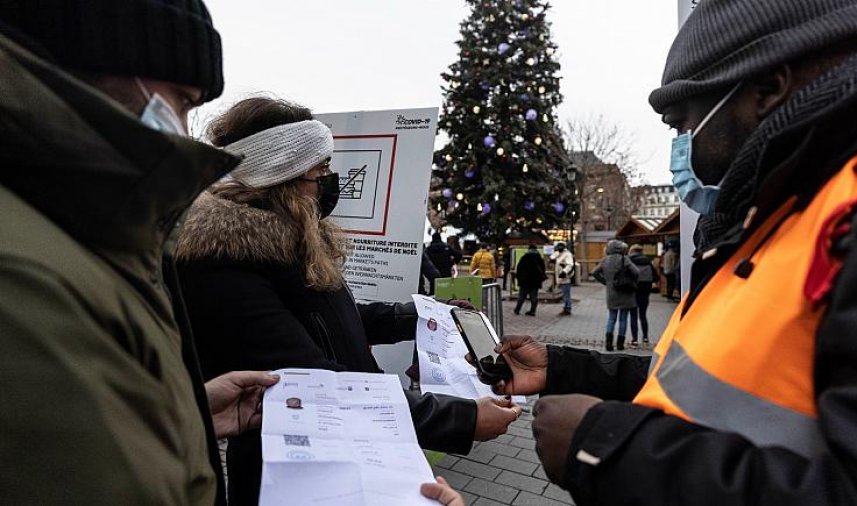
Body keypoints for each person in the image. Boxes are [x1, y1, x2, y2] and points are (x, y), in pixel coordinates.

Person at [446, 1, 857, 504]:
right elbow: (710, 376)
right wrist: (564, 369)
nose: (683, 149)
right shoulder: (782, 203)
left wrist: (605, 447)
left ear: (768, 90)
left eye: (683, 124)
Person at [175, 97, 521, 505]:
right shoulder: (222, 265)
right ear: (279, 177)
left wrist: (419, 317)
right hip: (294, 470)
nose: (330, 181)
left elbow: (331, 320)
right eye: (319, 170)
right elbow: (311, 376)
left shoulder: (290, 242)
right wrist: (460, 418)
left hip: (353, 442)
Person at [0, 2, 281, 504]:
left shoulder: (85, 232)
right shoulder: (24, 279)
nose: (186, 129)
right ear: (98, 55)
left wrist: (186, 415)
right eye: (184, 100)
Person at [591, 240, 639, 351]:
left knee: (611, 318)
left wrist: (606, 282)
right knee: (623, 319)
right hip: (626, 293)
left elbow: (594, 272)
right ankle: (620, 344)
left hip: (611, 293)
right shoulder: (625, 259)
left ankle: (608, 344)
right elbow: (636, 272)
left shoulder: (605, 260)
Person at [628, 244, 658, 348]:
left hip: (632, 291)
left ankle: (634, 340)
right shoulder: (648, 262)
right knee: (643, 315)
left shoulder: (629, 261)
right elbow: (656, 277)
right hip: (645, 292)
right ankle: (645, 337)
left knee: (633, 316)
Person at [513, 245, 546, 316]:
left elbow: (519, 269)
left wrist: (518, 278)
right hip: (535, 281)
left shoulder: (524, 258)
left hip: (524, 281)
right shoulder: (539, 258)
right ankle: (533, 311)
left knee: (521, 296)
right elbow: (543, 270)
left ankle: (517, 309)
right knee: (534, 297)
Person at [550, 242, 575, 315]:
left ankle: (567, 308)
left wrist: (564, 272)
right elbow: (552, 257)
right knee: (564, 294)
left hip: (565, 277)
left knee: (566, 294)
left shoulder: (567, 254)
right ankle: (566, 307)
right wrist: (552, 259)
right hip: (559, 277)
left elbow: (570, 265)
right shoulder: (559, 253)